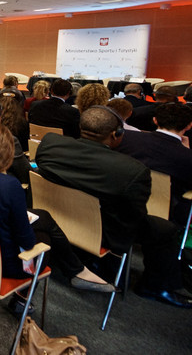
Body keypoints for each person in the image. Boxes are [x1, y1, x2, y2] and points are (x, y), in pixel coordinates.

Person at [36, 107, 192, 308]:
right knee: (167, 230)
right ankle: (154, 287)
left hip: (57, 214)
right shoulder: (133, 171)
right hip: (103, 229)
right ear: (115, 134)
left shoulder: (50, 144)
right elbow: (134, 217)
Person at [0, 123, 114, 294]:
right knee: (44, 236)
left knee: (43, 216)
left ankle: (77, 270)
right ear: (4, 151)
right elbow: (27, 242)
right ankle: (23, 300)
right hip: (3, 263)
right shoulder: (8, 186)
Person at [117, 102, 192, 225]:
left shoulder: (125, 138)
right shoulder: (187, 157)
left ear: (155, 120)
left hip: (119, 204)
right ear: (189, 125)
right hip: (165, 216)